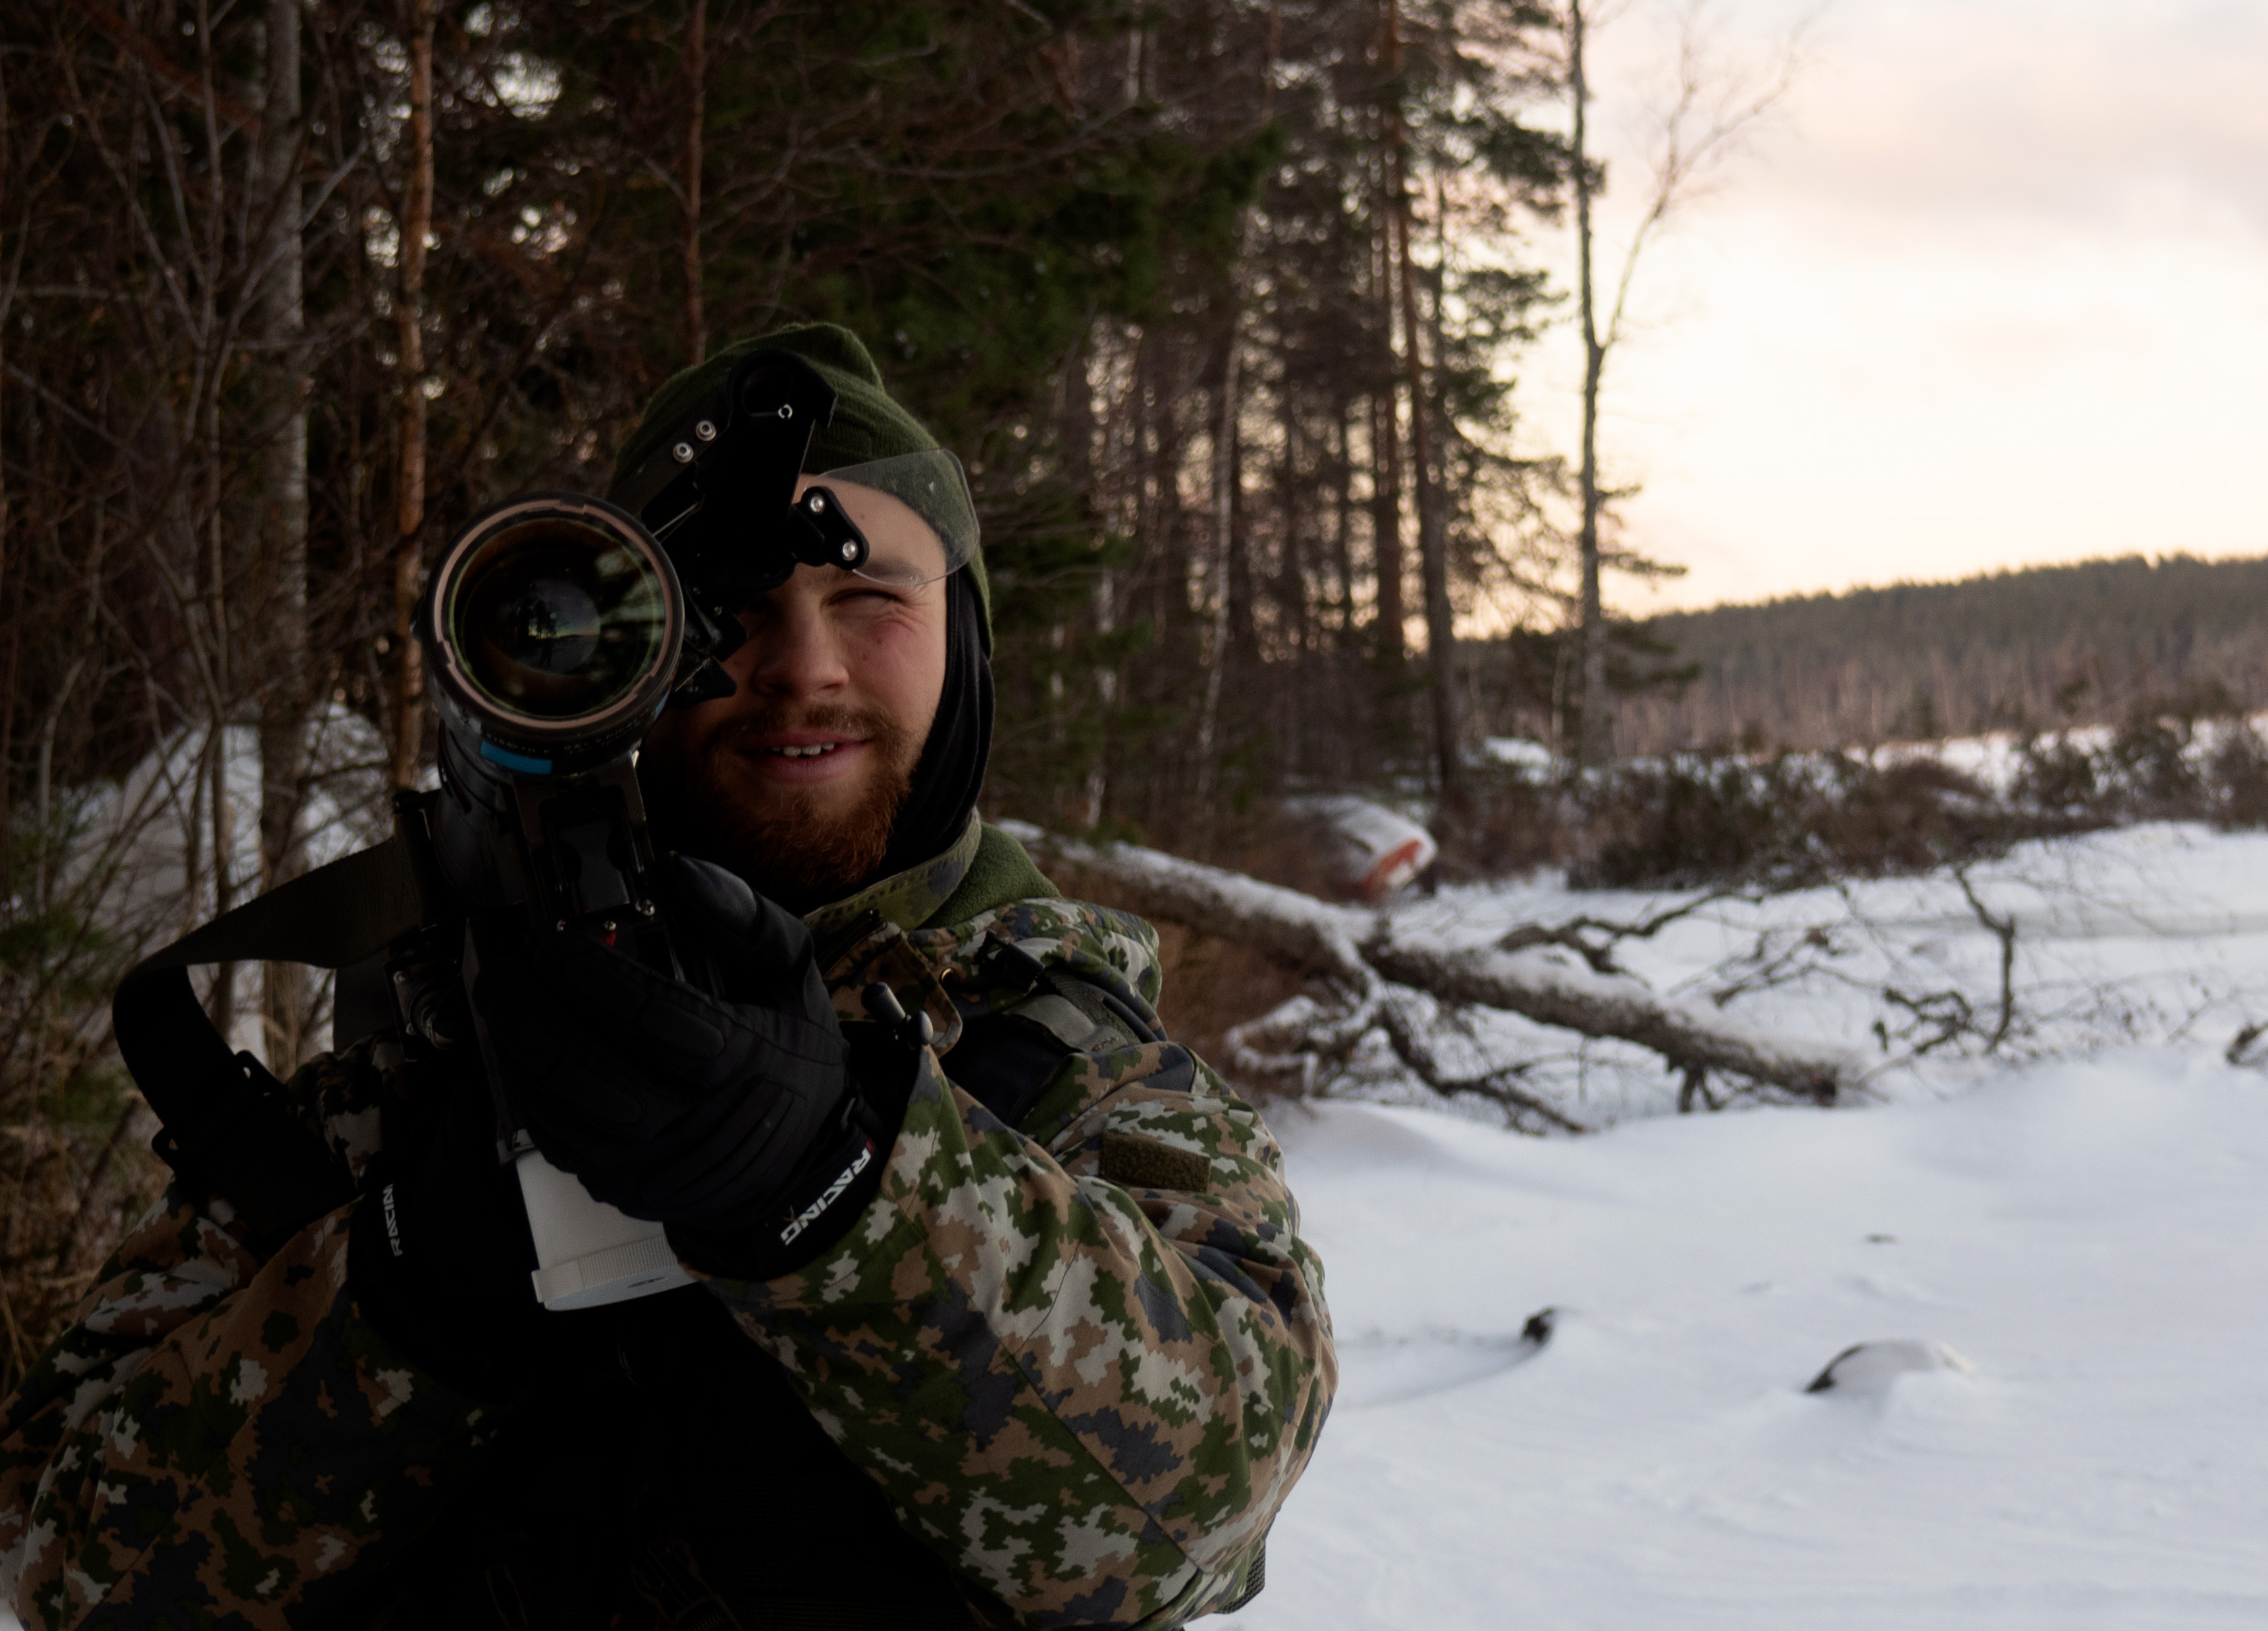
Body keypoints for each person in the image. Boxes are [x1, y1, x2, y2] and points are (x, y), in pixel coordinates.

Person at [0, 324, 1334, 1630]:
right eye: (729, 614)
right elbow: (64, 1567)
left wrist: (844, 1183)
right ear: (613, 656)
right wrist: (404, 1289)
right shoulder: (411, 1069)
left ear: (963, 642)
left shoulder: (1072, 1073)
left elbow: (1202, 1519)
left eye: (870, 602)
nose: (802, 666)